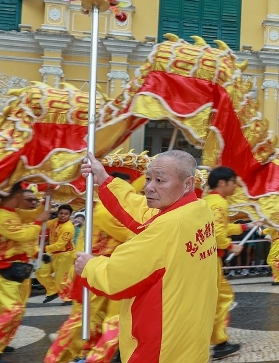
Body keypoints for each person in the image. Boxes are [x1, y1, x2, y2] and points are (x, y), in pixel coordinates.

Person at [76, 149, 220, 363]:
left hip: (160, 345)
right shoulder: (198, 209)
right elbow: (144, 212)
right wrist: (105, 180)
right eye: (149, 179)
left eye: (160, 180)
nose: (149, 187)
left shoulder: (168, 227)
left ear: (188, 184)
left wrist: (90, 266)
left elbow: (116, 280)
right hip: (189, 336)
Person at [44, 199, 134, 363]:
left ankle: (79, 355)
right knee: (88, 319)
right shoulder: (106, 211)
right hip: (98, 269)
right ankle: (59, 357)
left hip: (102, 269)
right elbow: (132, 233)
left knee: (95, 320)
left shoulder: (105, 210)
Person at [0, 183, 50, 359]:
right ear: (17, 196)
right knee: (13, 310)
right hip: (1, 270)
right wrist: (38, 222)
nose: (27, 201)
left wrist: (46, 199)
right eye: (23, 196)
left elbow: (32, 214)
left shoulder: (11, 213)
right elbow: (23, 235)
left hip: (11, 269)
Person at [204, 166, 247, 360]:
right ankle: (219, 342)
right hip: (212, 258)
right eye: (232, 183)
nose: (235, 187)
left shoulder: (209, 200)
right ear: (222, 183)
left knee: (216, 297)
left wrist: (245, 226)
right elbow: (218, 232)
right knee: (222, 298)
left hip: (207, 257)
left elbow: (220, 226)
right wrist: (231, 246)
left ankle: (216, 339)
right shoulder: (219, 203)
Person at [38, 204, 76, 303]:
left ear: (70, 215)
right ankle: (52, 291)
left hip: (65, 255)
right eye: (61, 213)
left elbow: (60, 245)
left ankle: (68, 298)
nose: (63, 215)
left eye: (66, 214)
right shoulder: (54, 222)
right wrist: (41, 217)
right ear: (58, 213)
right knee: (40, 272)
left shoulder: (68, 228)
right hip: (52, 253)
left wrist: (44, 248)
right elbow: (43, 225)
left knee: (62, 279)